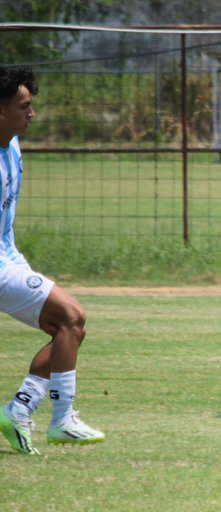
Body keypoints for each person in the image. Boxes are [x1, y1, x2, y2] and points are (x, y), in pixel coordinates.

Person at [0, 66, 104, 456]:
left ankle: (18, 410)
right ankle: (62, 420)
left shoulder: (11, 143)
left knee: (71, 332)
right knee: (71, 315)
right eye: (24, 106)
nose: (32, 114)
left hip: (9, 256)